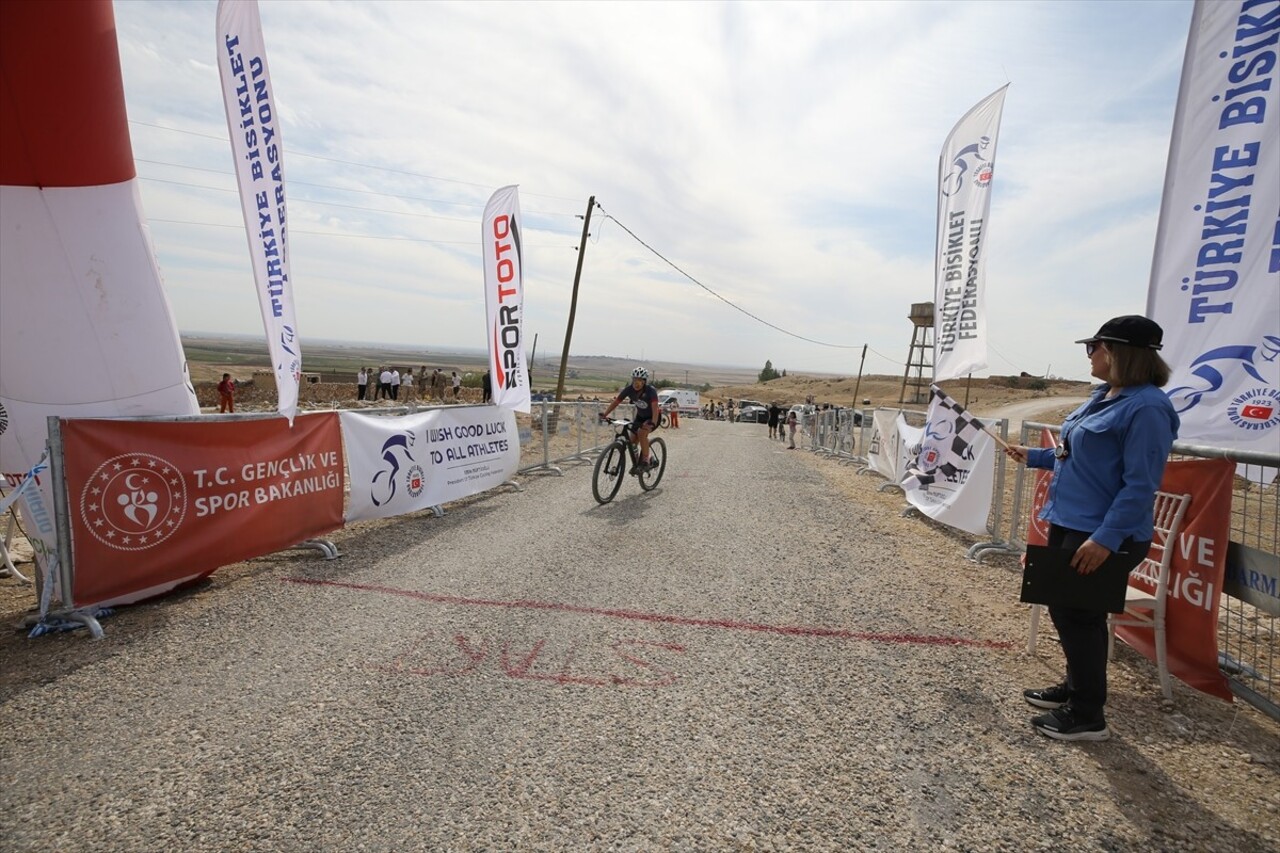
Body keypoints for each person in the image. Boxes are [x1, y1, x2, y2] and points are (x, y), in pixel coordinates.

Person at [1004, 315, 1178, 742]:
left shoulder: (1148, 408)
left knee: (1079, 615)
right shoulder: (1103, 396)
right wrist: (1035, 456)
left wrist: (1106, 538)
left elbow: (1140, 483)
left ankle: (1087, 715)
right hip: (1071, 522)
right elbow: (1073, 453)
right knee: (1069, 611)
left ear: (1119, 353)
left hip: (1102, 533)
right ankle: (1077, 686)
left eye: (1094, 347)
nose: (1089, 355)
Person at [598, 367, 661, 474]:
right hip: (640, 417)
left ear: (644, 382)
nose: (636, 383)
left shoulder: (650, 391)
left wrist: (652, 423)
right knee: (632, 443)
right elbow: (616, 402)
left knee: (641, 434)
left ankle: (646, 460)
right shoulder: (629, 390)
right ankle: (637, 464)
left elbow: (655, 408)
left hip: (653, 417)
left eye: (639, 381)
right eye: (634, 380)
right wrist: (605, 414)